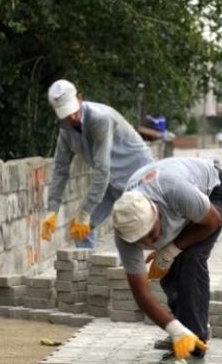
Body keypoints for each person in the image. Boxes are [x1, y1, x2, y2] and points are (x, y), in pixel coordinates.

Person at [111, 156, 222, 364]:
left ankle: (193, 350)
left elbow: (211, 222)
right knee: (167, 275)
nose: (147, 244)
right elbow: (142, 294)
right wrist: (174, 328)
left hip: (213, 192)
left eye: (150, 235)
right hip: (178, 191)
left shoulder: (175, 193)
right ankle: (184, 332)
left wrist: (171, 250)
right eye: (139, 241)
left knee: (189, 259)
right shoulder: (124, 230)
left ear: (156, 212)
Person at [41, 80, 152, 249]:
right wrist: (52, 210)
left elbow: (102, 169)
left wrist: (85, 212)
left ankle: (152, 271)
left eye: (73, 111)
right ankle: (86, 273)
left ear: (79, 98)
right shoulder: (66, 132)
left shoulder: (99, 118)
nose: (71, 117)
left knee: (137, 229)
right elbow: (60, 170)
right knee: (79, 229)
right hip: (110, 181)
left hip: (137, 176)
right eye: (65, 114)